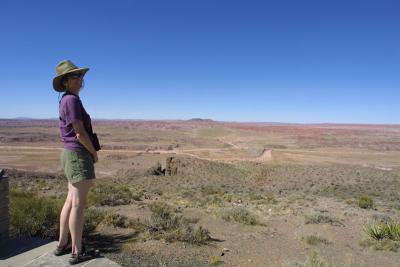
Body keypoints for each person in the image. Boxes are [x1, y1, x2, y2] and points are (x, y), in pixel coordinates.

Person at [52, 60, 98, 264]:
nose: (80, 79)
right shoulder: (71, 101)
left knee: (70, 202)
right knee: (78, 206)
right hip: (78, 155)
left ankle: (62, 244)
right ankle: (77, 252)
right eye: (74, 76)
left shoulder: (67, 100)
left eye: (80, 76)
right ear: (65, 82)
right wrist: (94, 154)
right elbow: (80, 133)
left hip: (71, 154)